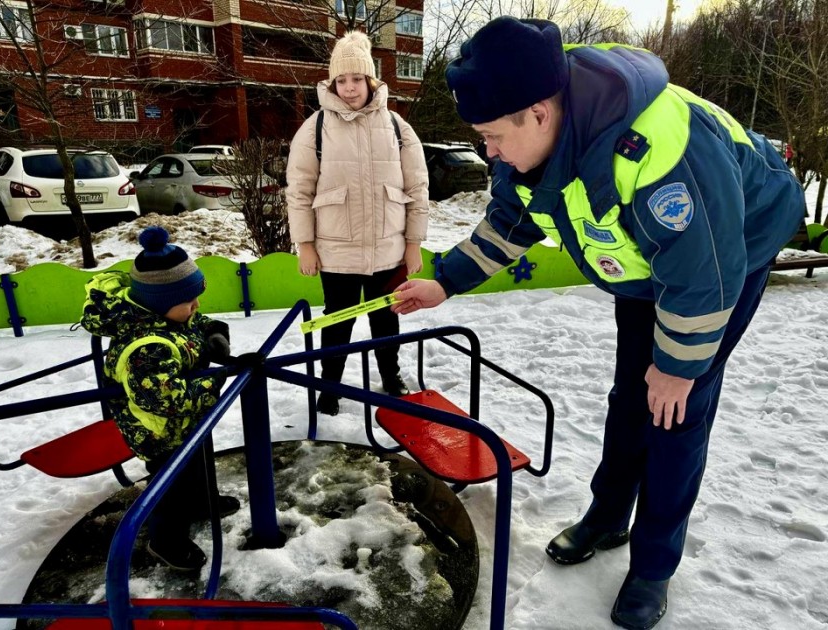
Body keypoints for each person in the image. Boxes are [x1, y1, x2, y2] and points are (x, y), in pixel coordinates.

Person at [391, 16, 805, 630]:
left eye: (492, 136)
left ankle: (653, 566)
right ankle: (608, 516)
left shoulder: (663, 151)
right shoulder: (527, 140)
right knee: (629, 396)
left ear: (538, 111)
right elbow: (511, 220)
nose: (489, 151)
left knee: (675, 409)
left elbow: (703, 275)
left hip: (728, 249)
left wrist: (676, 368)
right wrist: (445, 279)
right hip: (643, 261)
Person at [286, 30, 429, 416]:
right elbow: (298, 191)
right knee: (336, 324)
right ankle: (329, 388)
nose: (349, 88)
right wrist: (306, 245)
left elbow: (417, 188)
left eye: (357, 79)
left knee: (386, 321)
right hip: (337, 252)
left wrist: (413, 243)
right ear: (332, 83)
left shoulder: (398, 127)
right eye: (342, 80)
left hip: (388, 249)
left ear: (371, 80)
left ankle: (391, 376)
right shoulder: (314, 129)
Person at [81, 226, 240, 572]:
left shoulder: (167, 315)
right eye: (189, 301)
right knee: (171, 486)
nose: (196, 306)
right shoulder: (147, 348)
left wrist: (214, 333)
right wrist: (218, 380)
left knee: (199, 464)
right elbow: (169, 400)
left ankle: (202, 503)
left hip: (183, 425)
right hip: (158, 431)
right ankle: (165, 541)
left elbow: (194, 323)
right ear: (160, 303)